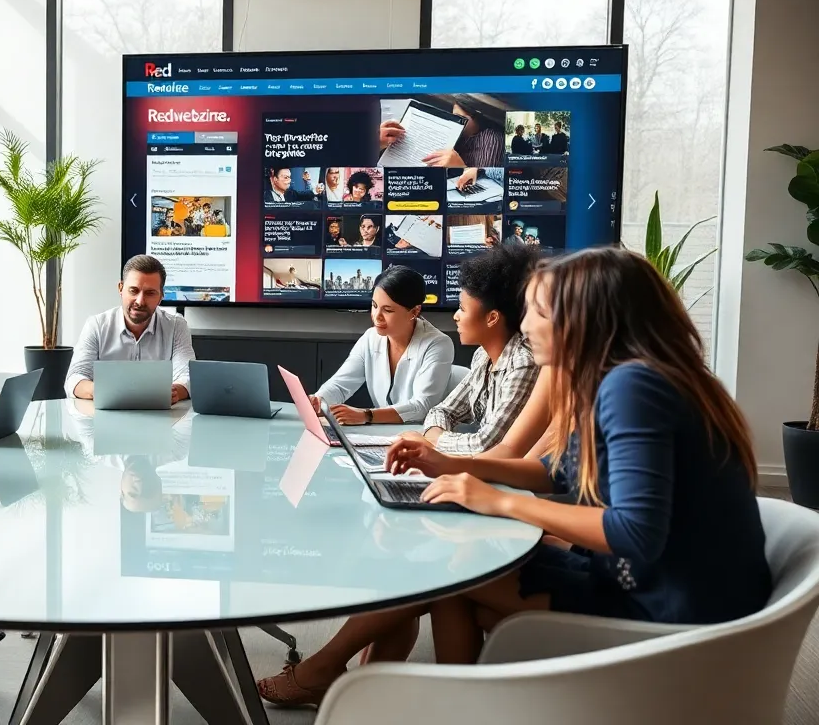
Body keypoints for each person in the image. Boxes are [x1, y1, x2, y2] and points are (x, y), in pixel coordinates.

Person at [257, 248, 770, 703]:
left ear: (583, 320)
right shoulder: (626, 378)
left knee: (442, 572)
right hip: (651, 584)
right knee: (449, 572)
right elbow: (549, 472)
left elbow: (636, 531)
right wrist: (450, 464)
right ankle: (443, 701)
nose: (526, 326)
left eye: (540, 312)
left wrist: (498, 501)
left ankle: (335, 675)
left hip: (666, 610)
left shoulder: (633, 388)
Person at [405, 242, 541, 454]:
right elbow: (443, 411)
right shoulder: (482, 356)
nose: (455, 316)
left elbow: (487, 445)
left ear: (492, 318)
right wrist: (434, 435)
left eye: (462, 308)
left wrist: (434, 440)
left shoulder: (524, 362)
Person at [310, 266, 454, 425]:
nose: (376, 317)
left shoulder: (438, 344)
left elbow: (422, 405)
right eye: (374, 305)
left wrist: (366, 415)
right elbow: (340, 385)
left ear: (414, 312)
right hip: (382, 435)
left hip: (422, 437)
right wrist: (319, 400)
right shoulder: (370, 338)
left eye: (388, 310)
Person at [65, 254, 195, 402]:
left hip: (160, 418)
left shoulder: (176, 326)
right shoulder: (96, 325)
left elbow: (188, 377)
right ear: (121, 288)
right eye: (133, 291)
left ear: (161, 297)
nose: (140, 301)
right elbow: (74, 379)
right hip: (104, 419)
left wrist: (173, 392)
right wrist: (103, 390)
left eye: (150, 293)